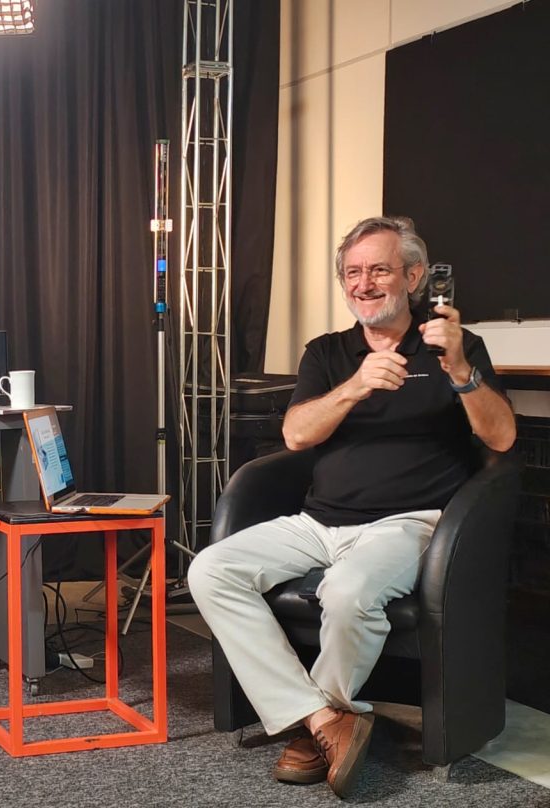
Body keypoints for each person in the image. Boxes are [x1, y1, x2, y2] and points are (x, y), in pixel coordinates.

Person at [187, 216, 516, 798]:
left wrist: (460, 372)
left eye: (379, 270)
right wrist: (356, 385)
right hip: (318, 521)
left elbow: (502, 438)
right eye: (352, 273)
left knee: (346, 593)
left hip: (409, 523)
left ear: (413, 276)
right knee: (209, 570)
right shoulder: (328, 352)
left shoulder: (453, 345)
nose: (364, 284)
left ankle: (314, 723)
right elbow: (296, 435)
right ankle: (322, 719)